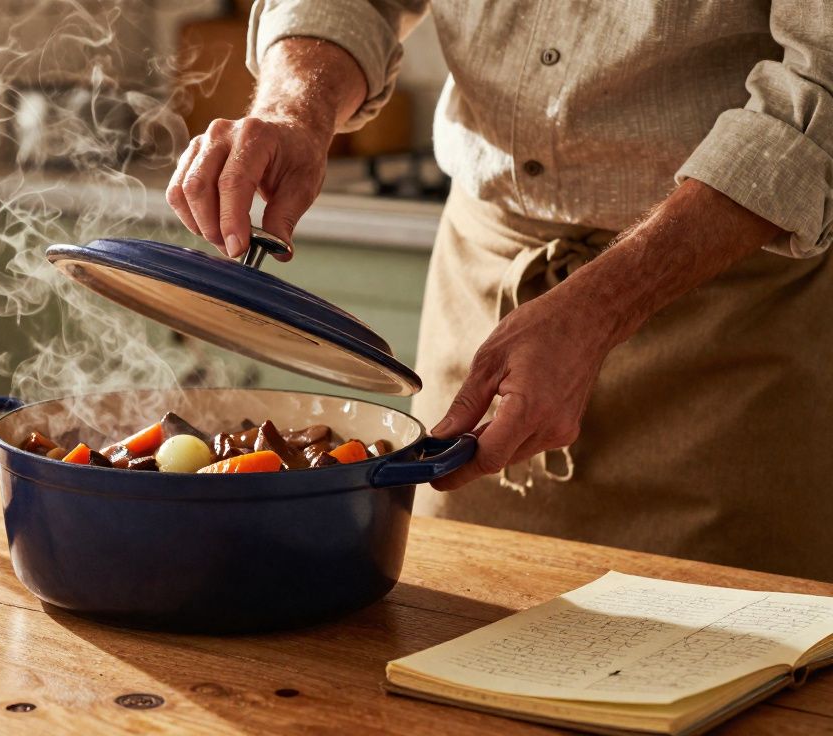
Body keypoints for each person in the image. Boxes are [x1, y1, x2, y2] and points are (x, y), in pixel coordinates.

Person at [166, 0, 833, 581]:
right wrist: (295, 106)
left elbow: (821, 87)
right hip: (484, 288)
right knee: (441, 641)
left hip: (732, 318)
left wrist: (602, 307)